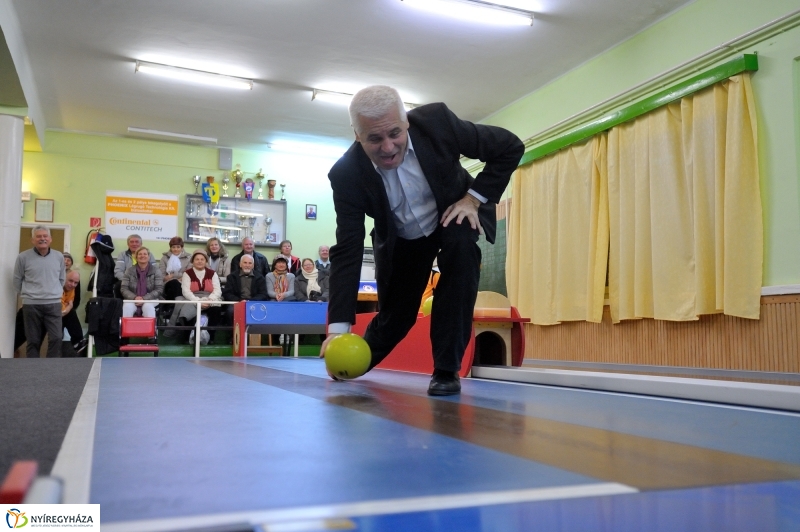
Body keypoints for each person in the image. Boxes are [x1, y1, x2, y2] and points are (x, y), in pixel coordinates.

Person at [322, 85, 523, 396]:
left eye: (395, 133)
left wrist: (473, 199)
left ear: (406, 122)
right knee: (397, 316)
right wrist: (338, 331)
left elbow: (509, 147)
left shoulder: (437, 123)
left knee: (461, 253)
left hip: (453, 214)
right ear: (357, 135)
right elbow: (347, 249)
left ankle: (446, 370)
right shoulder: (346, 174)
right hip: (403, 240)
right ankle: (356, 361)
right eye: (374, 138)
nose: (388, 147)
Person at [14, 226, 66, 358]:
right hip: (31, 305)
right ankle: (34, 368)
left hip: (54, 304)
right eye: (38, 236)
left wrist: (53, 293)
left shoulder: (59, 256)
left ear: (50, 239)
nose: (42, 239)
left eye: (45, 236)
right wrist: (27, 296)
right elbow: (17, 280)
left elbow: (62, 279)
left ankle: (51, 367)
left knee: (57, 337)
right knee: (33, 341)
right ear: (32, 240)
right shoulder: (23, 257)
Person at [173, 249, 222, 345]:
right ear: (193, 261)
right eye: (197, 259)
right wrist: (198, 301)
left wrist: (210, 300)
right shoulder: (187, 273)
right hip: (193, 298)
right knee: (186, 313)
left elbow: (217, 290)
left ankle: (211, 338)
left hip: (209, 298)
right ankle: (187, 338)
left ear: (206, 261)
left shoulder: (213, 273)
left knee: (216, 310)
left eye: (202, 259)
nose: (199, 261)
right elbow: (186, 291)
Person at [222, 255, 268, 325]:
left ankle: (253, 331)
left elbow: (263, 294)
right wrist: (240, 300)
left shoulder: (260, 278)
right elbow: (227, 293)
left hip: (254, 303)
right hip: (237, 302)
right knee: (230, 311)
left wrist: (250, 301)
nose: (247, 265)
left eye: (250, 263)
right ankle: (233, 331)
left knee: (260, 312)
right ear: (240, 264)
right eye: (245, 263)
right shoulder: (232, 277)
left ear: (253, 265)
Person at [121, 247, 164, 318]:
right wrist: (135, 298)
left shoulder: (156, 271)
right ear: (136, 257)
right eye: (140, 254)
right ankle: (126, 325)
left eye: (145, 254)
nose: (142, 256)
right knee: (127, 307)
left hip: (151, 298)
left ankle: (150, 326)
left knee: (148, 307)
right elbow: (124, 288)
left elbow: (159, 289)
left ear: (148, 257)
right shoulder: (129, 271)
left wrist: (144, 298)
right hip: (132, 298)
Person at [61, 270, 88, 355]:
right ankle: (78, 342)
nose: (73, 284)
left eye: (76, 283)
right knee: (70, 313)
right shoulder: (58, 288)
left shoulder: (71, 289)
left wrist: (68, 307)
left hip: (58, 316)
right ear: (63, 278)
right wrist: (69, 306)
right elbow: (62, 312)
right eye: (70, 281)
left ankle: (78, 342)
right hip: (43, 312)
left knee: (69, 314)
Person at [159, 236, 191, 301]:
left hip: (183, 282)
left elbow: (188, 274)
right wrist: (176, 277)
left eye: (178, 247)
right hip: (167, 283)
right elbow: (161, 275)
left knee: (175, 284)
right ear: (170, 248)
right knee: (173, 284)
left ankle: (169, 305)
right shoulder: (164, 258)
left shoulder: (188, 258)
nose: (176, 249)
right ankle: (175, 305)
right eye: (173, 247)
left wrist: (173, 275)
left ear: (182, 247)